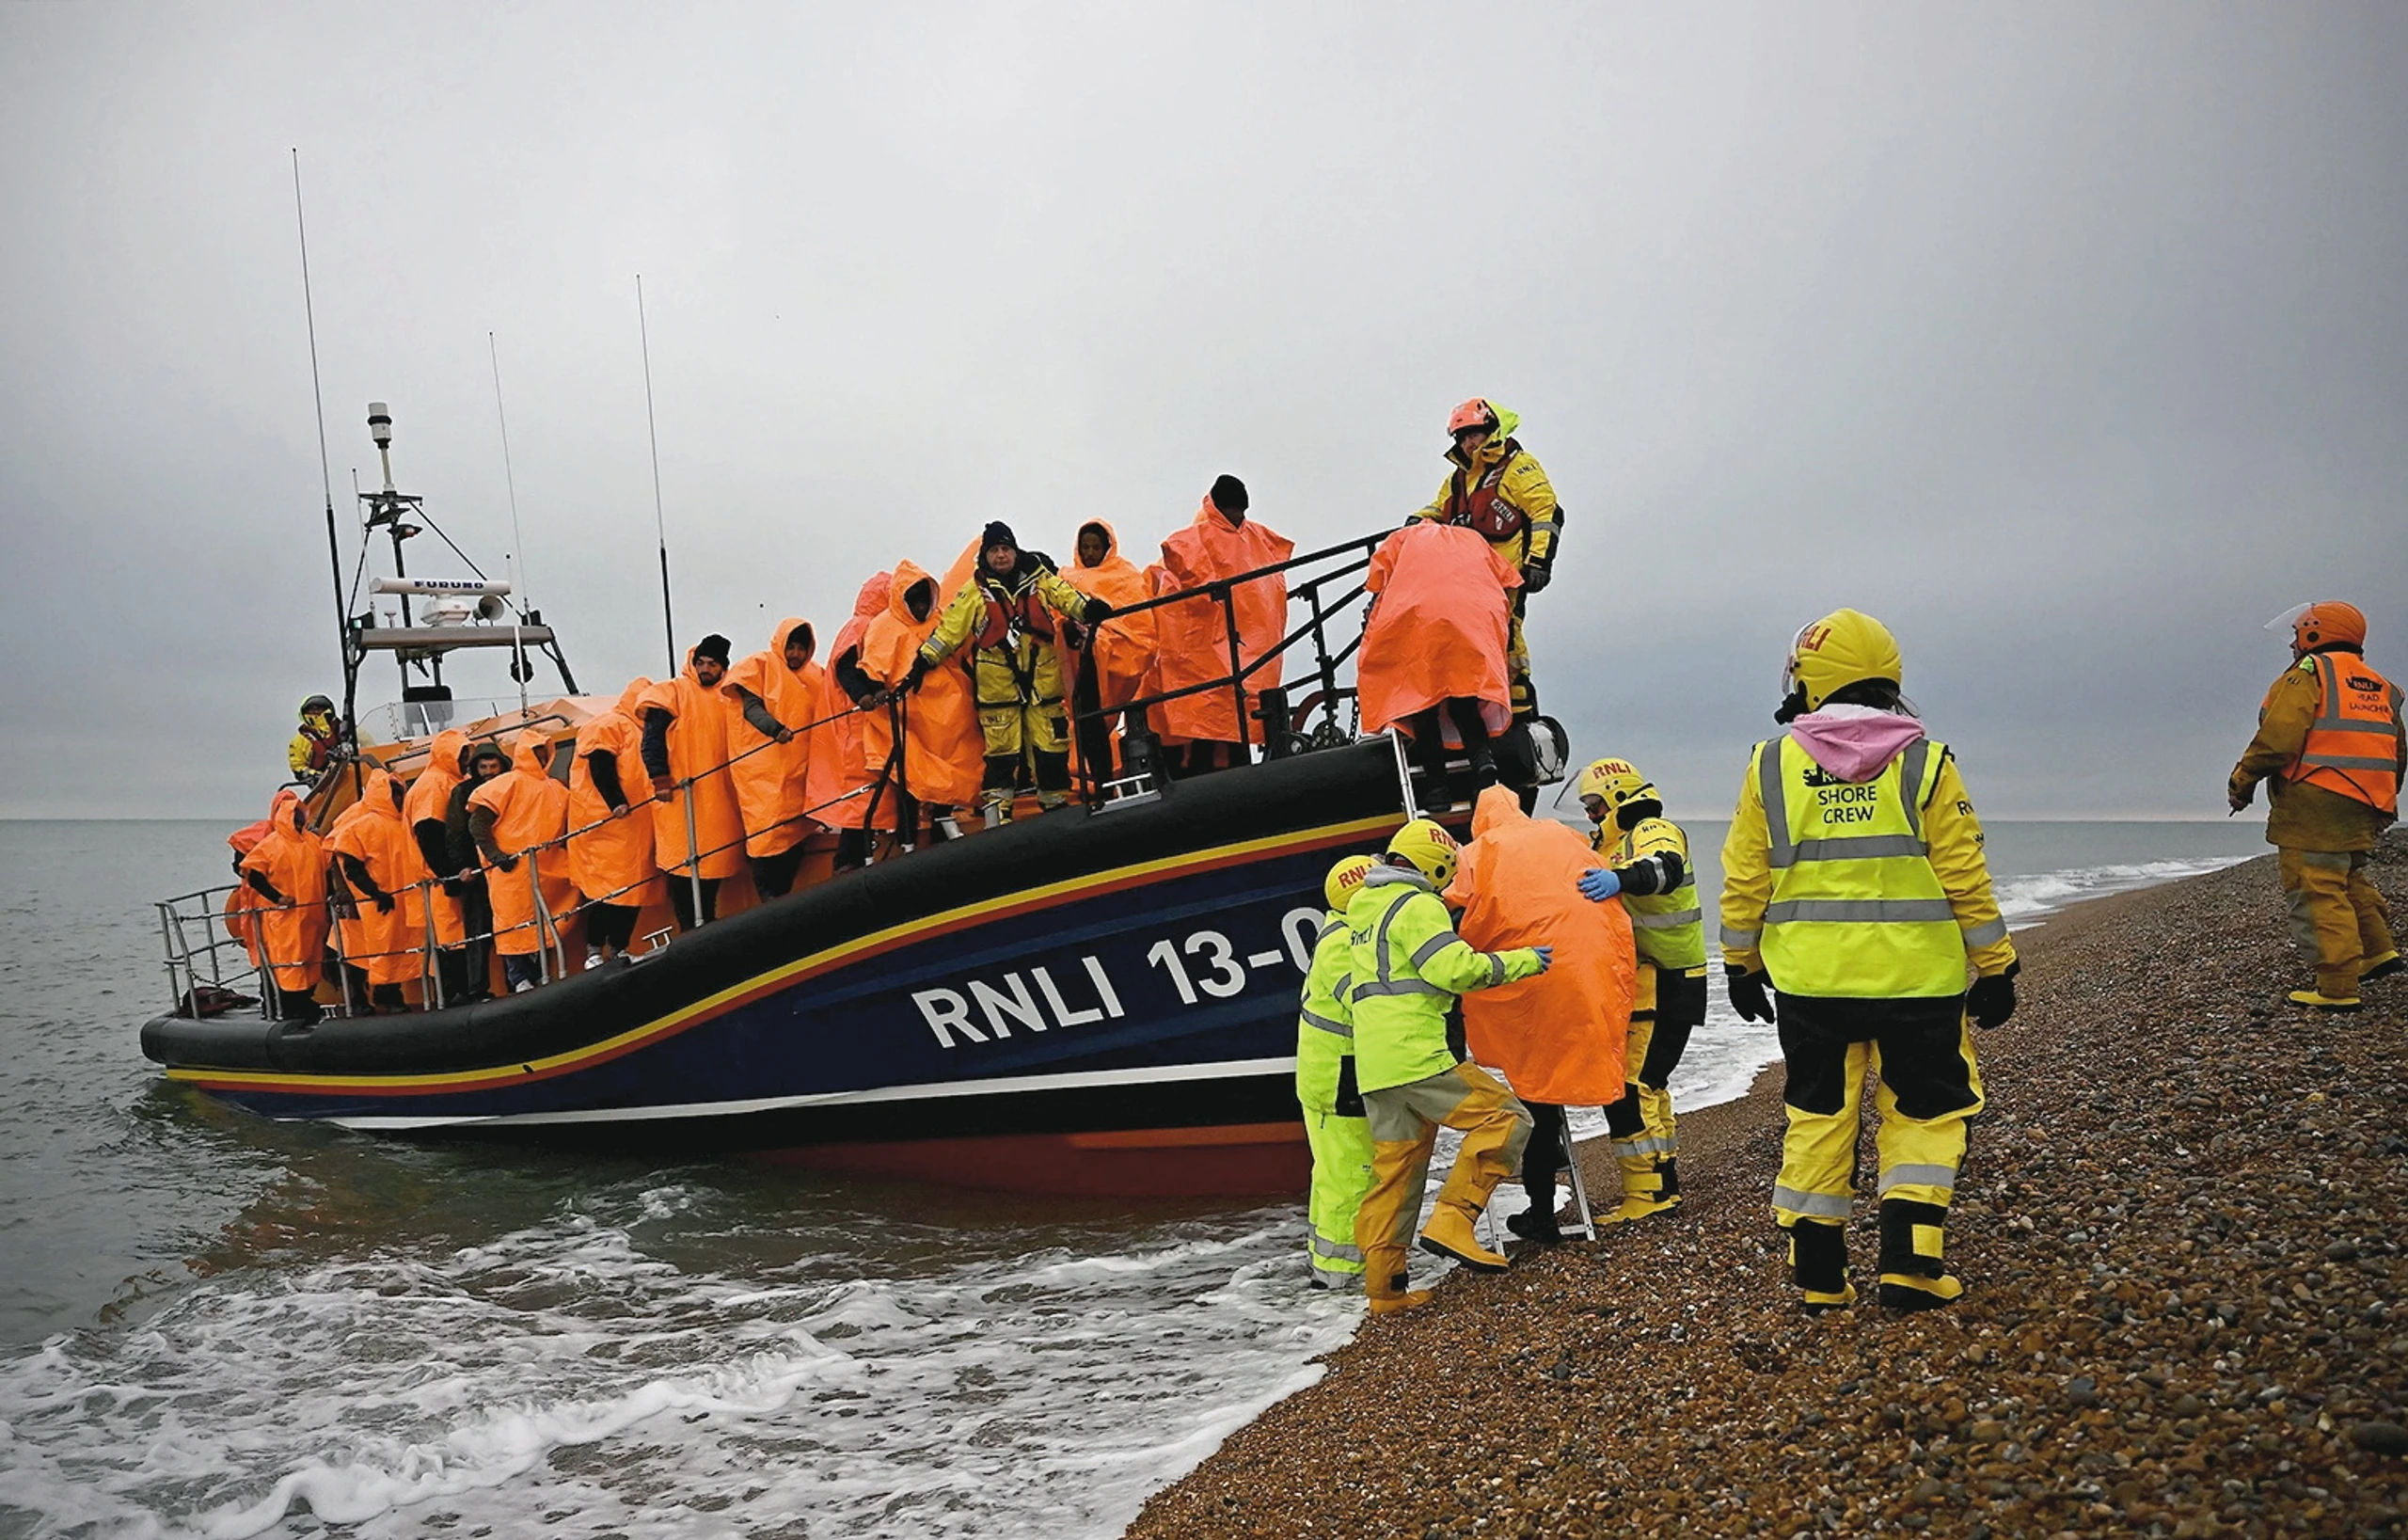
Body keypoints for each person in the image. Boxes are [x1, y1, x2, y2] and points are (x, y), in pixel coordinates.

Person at [1719, 608, 2017, 1314]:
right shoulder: (1927, 763)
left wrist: (1739, 963)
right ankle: (1911, 1264)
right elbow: (1964, 876)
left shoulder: (1770, 765)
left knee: (1818, 1113)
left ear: (1810, 680)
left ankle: (1819, 1274)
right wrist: (1996, 964)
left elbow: (1745, 879)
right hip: (1918, 985)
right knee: (1925, 1112)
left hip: (1812, 985)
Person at [1348, 818, 1552, 1314]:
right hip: (1417, 1055)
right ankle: (1454, 1221)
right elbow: (1455, 970)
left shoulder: (1363, 909)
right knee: (1507, 1119)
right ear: (1437, 866)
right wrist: (1526, 960)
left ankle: (1386, 1292)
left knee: (1396, 1175)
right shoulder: (1418, 905)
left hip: (1375, 1066)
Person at [1446, 785, 1634, 1244]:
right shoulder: (1562, 834)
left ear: (1480, 820)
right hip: (1585, 972)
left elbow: (1449, 901)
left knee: (1538, 1096)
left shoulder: (1479, 850)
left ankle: (1542, 1214)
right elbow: (1600, 874)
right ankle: (1648, 1181)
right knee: (1590, 1062)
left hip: (1532, 980)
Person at [2228, 601, 2403, 1009]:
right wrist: (2383, 801)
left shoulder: (2310, 674)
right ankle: (2378, 952)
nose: (2293, 643)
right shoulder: (2381, 686)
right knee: (2348, 877)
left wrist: (2241, 780)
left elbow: (2278, 739)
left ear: (2315, 633)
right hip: (2367, 800)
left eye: (2297, 634)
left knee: (2316, 888)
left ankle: (2337, 987)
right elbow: (2398, 752)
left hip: (2315, 799)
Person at [1575, 756, 1709, 1224]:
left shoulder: (1651, 830)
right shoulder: (1611, 843)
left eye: (1595, 804)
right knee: (1651, 1083)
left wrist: (1619, 880)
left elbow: (1663, 868)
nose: (1591, 813)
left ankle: (1648, 1194)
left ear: (1617, 796)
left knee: (1632, 1087)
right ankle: (1663, 1182)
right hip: (1657, 980)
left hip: (1671, 979)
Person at [909, 523, 1111, 825]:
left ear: (1015, 551)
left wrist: (1089, 609)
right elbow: (950, 631)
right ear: (985, 556)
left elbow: (1067, 597)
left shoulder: (1040, 579)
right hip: (998, 690)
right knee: (1001, 752)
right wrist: (924, 660)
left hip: (1042, 685)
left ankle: (1056, 806)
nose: (1001, 555)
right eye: (994, 550)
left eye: (1005, 549)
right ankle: (997, 815)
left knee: (1051, 745)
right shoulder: (973, 592)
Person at [1407, 400, 1561, 723]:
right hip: (1468, 583)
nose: (1468, 443)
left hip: (1506, 577)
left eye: (1473, 434)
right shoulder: (1458, 479)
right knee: (1466, 647)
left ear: (1491, 430)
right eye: (1462, 437)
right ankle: (1476, 720)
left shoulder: (1518, 466)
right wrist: (1417, 521)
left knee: (1507, 644)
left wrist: (1538, 563)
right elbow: (1441, 509)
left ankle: (1520, 718)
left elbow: (1545, 512)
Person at [1357, 518, 1524, 802]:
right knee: (1464, 701)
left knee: (1422, 704)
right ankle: (1484, 763)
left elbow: (1376, 578)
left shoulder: (1401, 539)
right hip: (1473, 619)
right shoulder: (1474, 540)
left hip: (1419, 620)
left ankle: (1437, 785)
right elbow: (1510, 577)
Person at [1152, 477, 1294, 776]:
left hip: (1247, 648)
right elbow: (1178, 553)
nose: (1237, 519)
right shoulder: (1200, 537)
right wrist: (1208, 586)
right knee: (1214, 717)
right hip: (1214, 650)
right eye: (1232, 512)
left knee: (1230, 716)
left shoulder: (1256, 537)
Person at [1297, 852, 1380, 1290]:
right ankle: (1339, 1276)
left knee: (1333, 1173)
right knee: (1351, 1175)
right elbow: (1368, 1000)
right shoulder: (1344, 945)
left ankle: (1324, 1263)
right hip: (1338, 1079)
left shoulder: (1340, 932)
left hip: (1330, 1074)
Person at [861, 560, 985, 842]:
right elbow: (872, 669)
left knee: (956, 771)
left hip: (953, 714)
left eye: (923, 600)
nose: (920, 607)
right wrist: (876, 691)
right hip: (910, 719)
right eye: (914, 601)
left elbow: (963, 651)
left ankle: (941, 828)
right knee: (911, 778)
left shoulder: (940, 619)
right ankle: (908, 838)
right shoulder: (884, 627)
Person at [642, 636, 747, 930]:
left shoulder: (730, 696)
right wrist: (660, 778)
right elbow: (651, 739)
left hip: (720, 803)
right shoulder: (671, 692)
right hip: (680, 801)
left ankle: (706, 927)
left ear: (723, 667)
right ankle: (691, 931)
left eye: (712, 664)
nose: (705, 669)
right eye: (700, 663)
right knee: (683, 870)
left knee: (714, 867)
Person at [468, 729, 574, 992]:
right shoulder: (506, 783)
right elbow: (477, 823)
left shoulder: (557, 789)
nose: (540, 758)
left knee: (545, 922)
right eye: (535, 753)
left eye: (543, 753)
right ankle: (519, 980)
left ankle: (540, 975)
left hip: (548, 871)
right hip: (511, 871)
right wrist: (495, 856)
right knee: (512, 925)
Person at [724, 617, 824, 894]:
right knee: (765, 836)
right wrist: (775, 729)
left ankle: (782, 898)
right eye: (791, 647)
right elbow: (751, 708)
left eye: (801, 648)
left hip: (799, 773)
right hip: (763, 776)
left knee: (796, 834)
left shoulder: (815, 675)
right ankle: (768, 898)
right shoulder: (760, 665)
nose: (795, 654)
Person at [570, 678, 661, 966]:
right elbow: (600, 763)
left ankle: (619, 948)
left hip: (637, 827)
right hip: (609, 826)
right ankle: (594, 951)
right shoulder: (609, 724)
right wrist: (616, 802)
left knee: (634, 889)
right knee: (607, 890)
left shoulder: (643, 730)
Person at [1059, 519, 1157, 787]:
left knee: (1093, 723)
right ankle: (1096, 781)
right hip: (1076, 666)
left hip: (1107, 661)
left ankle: (1102, 783)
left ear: (1107, 548)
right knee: (1085, 724)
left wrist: (1099, 637)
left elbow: (1139, 628)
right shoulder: (1065, 578)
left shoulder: (1125, 577)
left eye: (1095, 547)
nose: (1089, 553)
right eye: (1085, 547)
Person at [811, 574, 894, 870]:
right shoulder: (862, 626)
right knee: (862, 792)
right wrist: (865, 695)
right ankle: (847, 860)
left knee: (872, 791)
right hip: (858, 724)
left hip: (868, 722)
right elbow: (847, 668)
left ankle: (862, 853)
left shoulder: (874, 627)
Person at [325, 768, 420, 1012]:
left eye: (399, 794)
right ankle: (361, 999)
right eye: (393, 794)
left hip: (390, 898)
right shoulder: (359, 818)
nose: (398, 799)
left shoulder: (399, 820)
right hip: (361, 900)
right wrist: (358, 893)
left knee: (385, 948)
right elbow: (340, 855)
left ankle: (384, 995)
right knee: (357, 951)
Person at [237, 786, 330, 1022]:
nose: (298, 822)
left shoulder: (313, 842)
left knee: (309, 960)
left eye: (300, 817)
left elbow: (327, 870)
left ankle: (305, 1002)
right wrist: (278, 898)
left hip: (312, 916)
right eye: (294, 817)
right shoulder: (270, 845)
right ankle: (287, 1007)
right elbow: (252, 874)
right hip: (283, 918)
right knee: (286, 964)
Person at [402, 729, 475, 1004]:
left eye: (467, 755)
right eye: (461, 755)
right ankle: (455, 995)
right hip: (440, 880)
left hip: (453, 876)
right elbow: (429, 834)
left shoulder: (452, 780)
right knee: (451, 937)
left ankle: (463, 991)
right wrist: (449, 877)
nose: (466, 761)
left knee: (458, 934)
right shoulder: (433, 784)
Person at [445, 740, 509, 999]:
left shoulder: (509, 785)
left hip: (507, 869)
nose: (489, 771)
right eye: (483, 767)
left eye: (493, 766)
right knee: (478, 931)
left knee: (513, 925)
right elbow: (456, 832)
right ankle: (477, 988)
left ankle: (518, 981)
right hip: (477, 873)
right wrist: (463, 866)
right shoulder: (462, 792)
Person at [288, 695, 342, 786]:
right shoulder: (300, 741)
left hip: (353, 775)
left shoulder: (344, 730)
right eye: (311, 710)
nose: (316, 712)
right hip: (326, 787)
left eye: (319, 708)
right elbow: (298, 766)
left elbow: (365, 744)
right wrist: (315, 776)